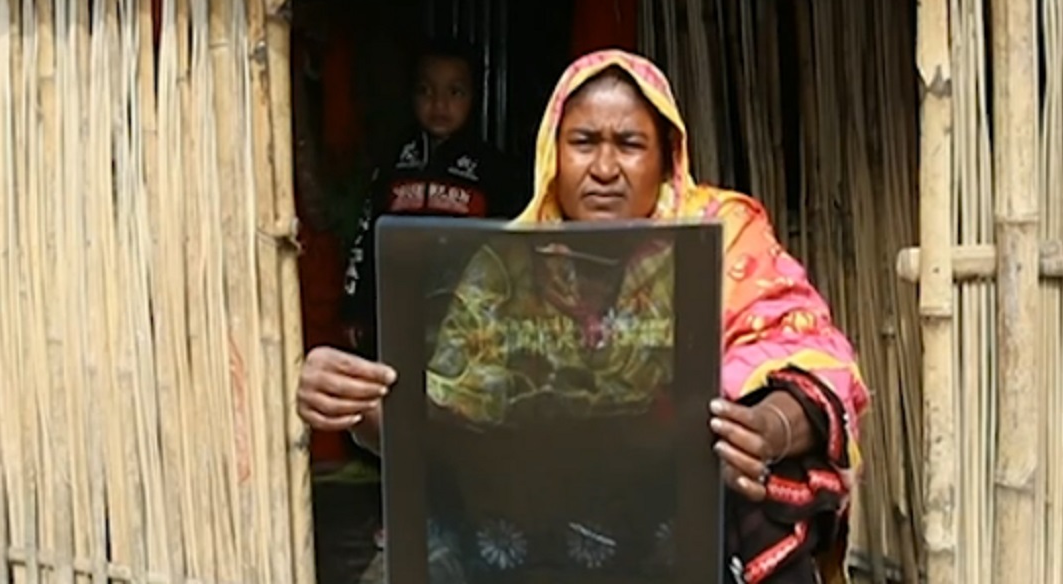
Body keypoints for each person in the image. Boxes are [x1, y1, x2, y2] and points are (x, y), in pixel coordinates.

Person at [299, 49, 869, 583]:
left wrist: (769, 427)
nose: (604, 167)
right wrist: (353, 403)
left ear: (666, 154)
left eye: (629, 143)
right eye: (583, 141)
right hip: (535, 505)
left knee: (771, 486)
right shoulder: (508, 263)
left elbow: (801, 345)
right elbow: (441, 418)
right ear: (552, 154)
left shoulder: (722, 234)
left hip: (679, 497)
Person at [340, 40, 527, 358]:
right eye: (426, 91)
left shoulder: (493, 169)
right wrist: (355, 307)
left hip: (466, 318)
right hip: (397, 313)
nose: (439, 105)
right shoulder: (393, 162)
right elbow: (365, 237)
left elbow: (511, 251)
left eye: (455, 92)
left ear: (474, 95)